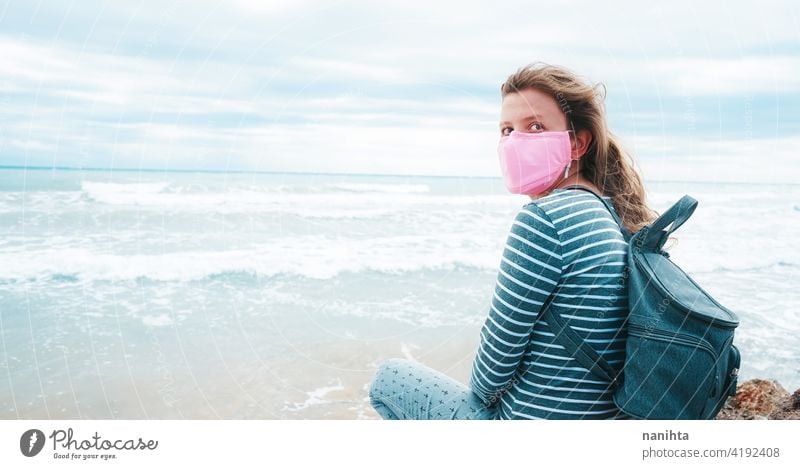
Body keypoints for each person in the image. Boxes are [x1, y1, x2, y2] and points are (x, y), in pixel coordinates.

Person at [368, 62, 658, 419]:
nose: (515, 141)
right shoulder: (610, 214)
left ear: (577, 143)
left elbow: (491, 370)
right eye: (506, 130)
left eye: (535, 127)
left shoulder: (547, 218)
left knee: (389, 378)